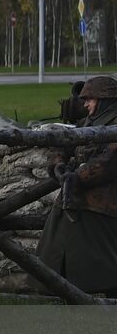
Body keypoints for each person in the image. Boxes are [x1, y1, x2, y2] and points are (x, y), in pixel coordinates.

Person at [37, 75, 117, 294]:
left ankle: (95, 291)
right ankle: (54, 286)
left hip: (104, 202)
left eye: (90, 99)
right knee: (55, 243)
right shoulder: (88, 123)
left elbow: (109, 162)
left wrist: (78, 177)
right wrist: (58, 166)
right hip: (74, 194)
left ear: (105, 100)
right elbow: (62, 144)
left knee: (98, 260)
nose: (85, 104)